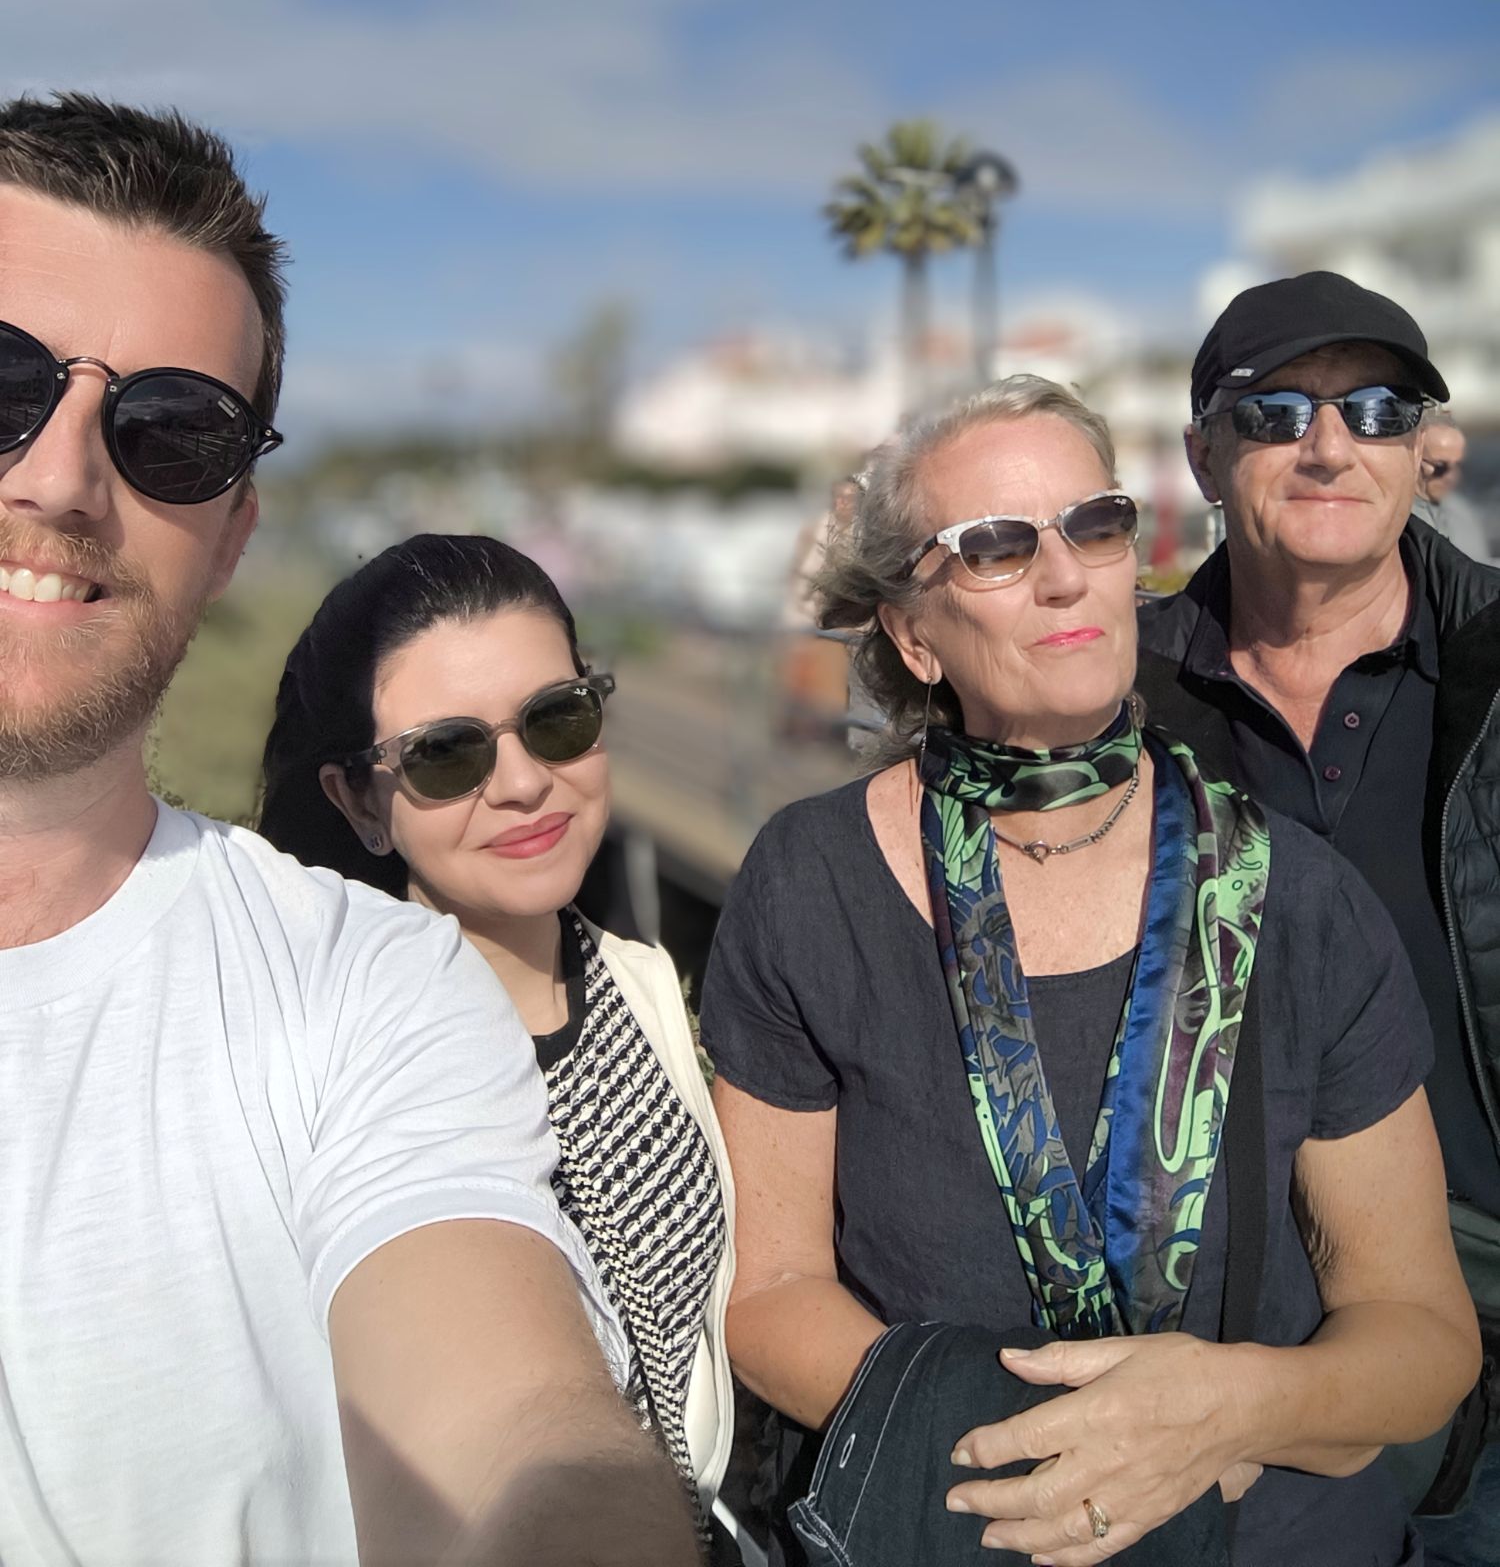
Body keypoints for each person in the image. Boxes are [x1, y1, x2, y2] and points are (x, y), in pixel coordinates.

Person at [0, 93, 696, 1567]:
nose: (60, 476)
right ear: (357, 797)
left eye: (170, 432)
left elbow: (520, 1433)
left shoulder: (376, 994)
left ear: (234, 532)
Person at [700, 374, 1478, 1567]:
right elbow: (769, 1293)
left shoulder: (1296, 895)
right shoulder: (812, 884)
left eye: (1096, 523)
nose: (1064, 574)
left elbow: (1421, 1332)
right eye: (996, 546)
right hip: (956, 1528)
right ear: (913, 634)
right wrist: (1039, 1450)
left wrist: (1227, 1406)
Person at [259, 534, 737, 1553]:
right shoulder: (336, 1067)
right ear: (358, 799)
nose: (523, 782)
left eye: (557, 719)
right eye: (447, 752)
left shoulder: (643, 986)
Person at [1136, 272, 1500, 1560]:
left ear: (1421, 450)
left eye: (1378, 409)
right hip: (1244, 1323)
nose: (1331, 446)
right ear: (1204, 453)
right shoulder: (1116, 700)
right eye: (1277, 410)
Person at [1412, 416, 1494, 564]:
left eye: (1458, 466)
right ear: (1415, 458)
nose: (1451, 476)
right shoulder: (1399, 521)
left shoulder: (1461, 512)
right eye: (1440, 467)